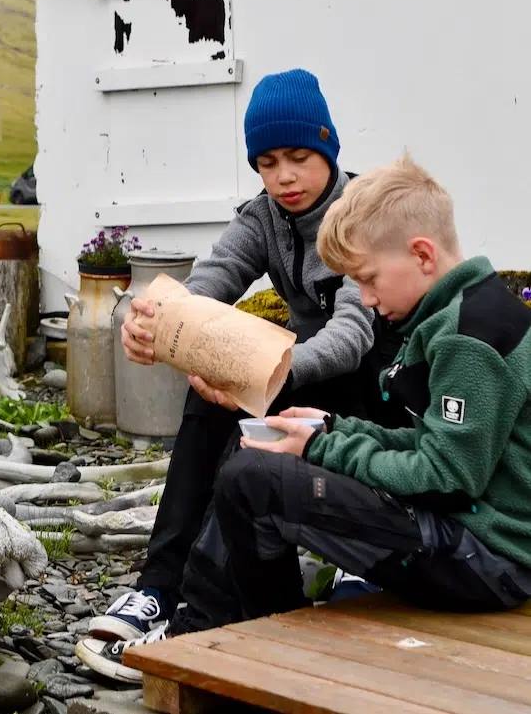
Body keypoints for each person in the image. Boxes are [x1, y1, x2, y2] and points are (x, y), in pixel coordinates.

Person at [75, 69, 408, 683]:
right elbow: (213, 281)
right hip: (307, 371)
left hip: (379, 386)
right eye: (267, 162)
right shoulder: (263, 218)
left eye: (300, 158)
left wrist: (266, 374)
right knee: (208, 401)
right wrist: (166, 325)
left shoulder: (364, 214)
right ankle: (161, 587)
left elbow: (353, 334)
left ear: (329, 147)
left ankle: (217, 596)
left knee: (261, 397)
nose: (284, 176)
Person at [164, 155, 531, 635]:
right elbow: (430, 445)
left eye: (368, 279)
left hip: (488, 560)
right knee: (256, 448)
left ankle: (247, 632)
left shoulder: (468, 339)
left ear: (422, 255)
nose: (368, 298)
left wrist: (321, 448)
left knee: (254, 481)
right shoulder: (455, 312)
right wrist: (334, 429)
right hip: (466, 533)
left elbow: (446, 477)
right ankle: (220, 622)